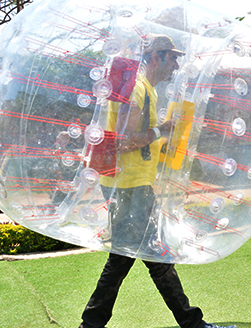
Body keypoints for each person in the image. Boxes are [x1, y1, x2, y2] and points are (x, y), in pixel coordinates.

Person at [79, 35, 236, 328]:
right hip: (132, 189)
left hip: (131, 186)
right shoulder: (139, 90)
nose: (177, 64)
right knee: (141, 258)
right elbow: (125, 140)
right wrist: (161, 131)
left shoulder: (143, 89)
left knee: (138, 258)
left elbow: (133, 140)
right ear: (156, 57)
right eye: (172, 57)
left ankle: (93, 324)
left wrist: (163, 146)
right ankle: (191, 323)